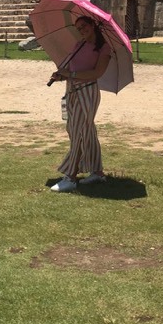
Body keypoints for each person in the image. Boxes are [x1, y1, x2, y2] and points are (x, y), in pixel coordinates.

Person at [48, 16, 112, 192]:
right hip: (72, 91)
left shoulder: (104, 48)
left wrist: (70, 74)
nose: (82, 30)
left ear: (92, 25)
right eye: (79, 28)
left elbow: (96, 73)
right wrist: (61, 76)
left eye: (84, 26)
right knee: (86, 131)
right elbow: (73, 70)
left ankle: (71, 175)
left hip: (88, 92)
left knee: (77, 132)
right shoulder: (79, 45)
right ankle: (97, 171)